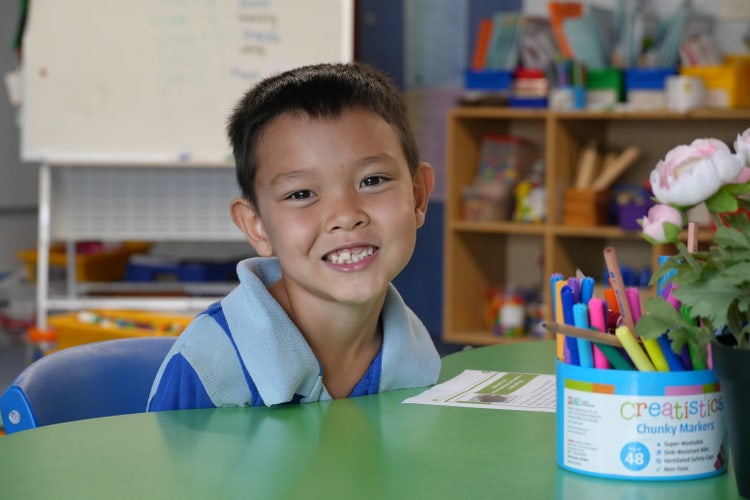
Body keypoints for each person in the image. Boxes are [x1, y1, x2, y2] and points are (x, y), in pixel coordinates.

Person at [147, 62, 440, 411]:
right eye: (301, 194)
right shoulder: (210, 369)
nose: (345, 216)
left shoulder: (417, 355)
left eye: (372, 180)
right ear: (256, 226)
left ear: (418, 197)